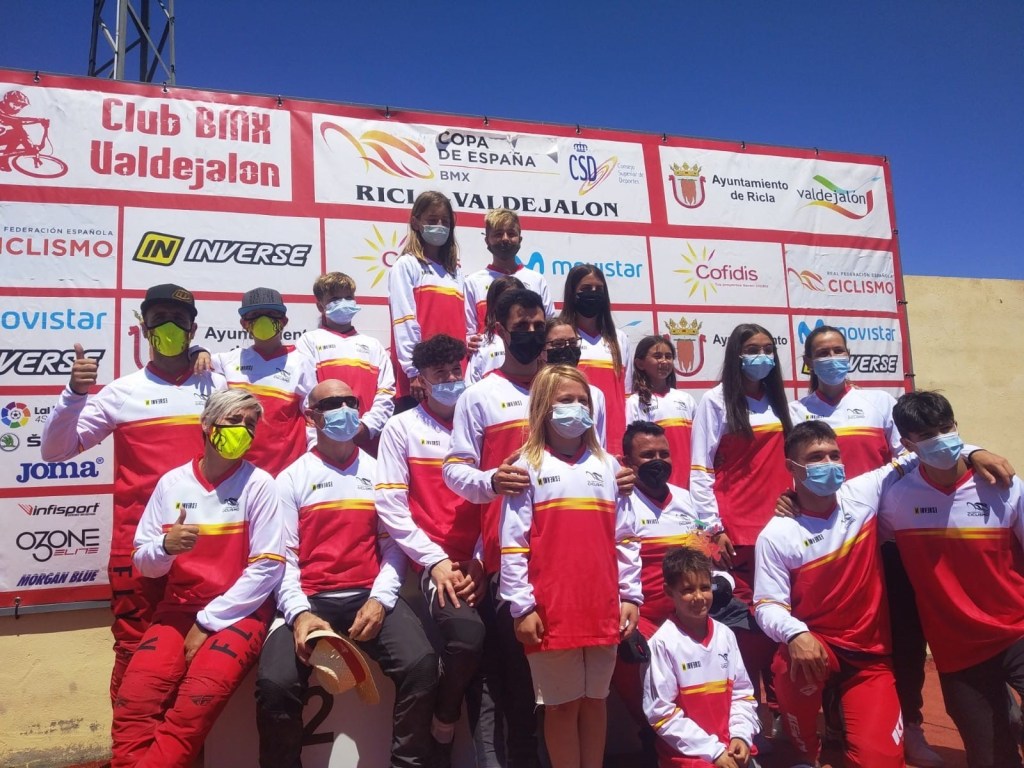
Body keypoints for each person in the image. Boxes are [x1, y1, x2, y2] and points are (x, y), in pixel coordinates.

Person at [40, 283, 225, 702]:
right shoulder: (121, 391)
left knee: (202, 656)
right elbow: (55, 451)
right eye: (159, 319)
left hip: (208, 544)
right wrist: (74, 394)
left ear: (193, 329)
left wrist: (207, 357)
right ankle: (132, 740)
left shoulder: (218, 384)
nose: (169, 327)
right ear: (144, 328)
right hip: (137, 547)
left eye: (178, 319)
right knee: (133, 652)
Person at [256, 379, 439, 768]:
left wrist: (380, 601)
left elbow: (394, 548)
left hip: (368, 596)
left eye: (350, 401)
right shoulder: (290, 479)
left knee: (423, 666)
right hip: (308, 601)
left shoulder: (379, 472)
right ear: (311, 416)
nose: (343, 409)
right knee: (275, 686)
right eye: (331, 404)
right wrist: (299, 614)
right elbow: (282, 558)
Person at [790, 325, 941, 767]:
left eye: (839, 350)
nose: (832, 358)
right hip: (829, 544)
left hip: (884, 536)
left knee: (903, 636)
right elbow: (791, 467)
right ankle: (835, 723)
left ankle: (911, 725)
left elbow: (912, 454)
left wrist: (972, 452)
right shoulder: (795, 410)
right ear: (808, 362)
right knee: (829, 633)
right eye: (822, 353)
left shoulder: (879, 402)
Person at [111, 389, 284, 768]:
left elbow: (268, 568)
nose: (242, 430)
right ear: (207, 424)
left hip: (239, 615)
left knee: (190, 711)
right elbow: (144, 562)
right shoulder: (171, 483)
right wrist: (166, 546)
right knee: (133, 704)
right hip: (177, 610)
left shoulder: (260, 484)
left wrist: (208, 622)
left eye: (250, 425)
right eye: (234, 421)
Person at [500, 364, 642, 768]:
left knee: (595, 702)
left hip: (602, 606)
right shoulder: (525, 467)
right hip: (550, 610)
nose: (576, 408)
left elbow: (627, 537)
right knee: (561, 707)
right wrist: (521, 606)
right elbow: (513, 544)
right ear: (544, 407)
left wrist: (630, 596)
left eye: (583, 400)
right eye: (566, 400)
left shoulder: (610, 467)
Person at [881, 391, 1024, 768]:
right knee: (990, 760)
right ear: (908, 444)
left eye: (946, 428)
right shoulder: (895, 498)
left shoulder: (1004, 485)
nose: (942, 440)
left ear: (957, 426)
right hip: (956, 650)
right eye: (928, 435)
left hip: (1018, 631)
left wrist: (976, 452)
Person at [444, 287, 549, 767]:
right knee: (511, 680)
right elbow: (454, 470)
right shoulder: (479, 395)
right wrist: (491, 481)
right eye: (521, 326)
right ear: (499, 332)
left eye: (538, 325)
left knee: (554, 683)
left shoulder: (566, 391)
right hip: (504, 559)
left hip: (563, 555)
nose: (531, 333)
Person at [375, 334, 486, 762]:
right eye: (440, 373)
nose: (452, 379)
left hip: (485, 559)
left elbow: (497, 500)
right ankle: (444, 716)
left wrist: (481, 559)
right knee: (466, 636)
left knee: (501, 662)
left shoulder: (479, 424)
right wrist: (435, 560)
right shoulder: (401, 428)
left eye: (456, 370)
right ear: (420, 380)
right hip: (434, 562)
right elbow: (390, 505)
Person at [644, 547, 760, 768]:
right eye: (687, 590)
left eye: (705, 588)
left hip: (729, 750)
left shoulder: (725, 635)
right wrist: (714, 752)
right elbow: (661, 714)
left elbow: (742, 695)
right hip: (688, 759)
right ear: (668, 591)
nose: (698, 597)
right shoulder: (662, 643)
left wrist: (741, 736)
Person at [193, 287, 316, 475]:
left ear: (284, 321)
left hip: (285, 472)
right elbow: (198, 358)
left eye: (271, 314)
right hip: (237, 472)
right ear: (244, 324)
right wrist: (199, 351)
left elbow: (313, 420)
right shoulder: (230, 360)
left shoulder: (302, 362)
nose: (263, 320)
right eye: (255, 315)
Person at [296, 271, 396, 451]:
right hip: (325, 443)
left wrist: (367, 427)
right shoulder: (309, 341)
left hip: (367, 443)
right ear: (320, 306)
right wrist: (325, 433)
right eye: (335, 299)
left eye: (348, 297)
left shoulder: (373, 345)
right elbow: (306, 394)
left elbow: (386, 392)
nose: (343, 302)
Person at [389, 190, 466, 404]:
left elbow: (461, 322)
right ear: (416, 222)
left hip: (455, 377)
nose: (439, 226)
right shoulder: (407, 265)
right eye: (432, 220)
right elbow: (404, 320)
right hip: (422, 379)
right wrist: (413, 370)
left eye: (445, 222)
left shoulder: (455, 272)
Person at [558, 264, 632, 454]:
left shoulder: (619, 339)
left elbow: (626, 394)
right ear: (572, 293)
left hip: (615, 437)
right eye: (585, 288)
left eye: (599, 289)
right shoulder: (562, 338)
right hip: (574, 435)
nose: (593, 293)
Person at [463, 207, 554, 336]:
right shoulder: (473, 282)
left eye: (511, 234)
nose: (505, 239)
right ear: (487, 241)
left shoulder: (537, 280)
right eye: (498, 234)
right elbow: (469, 332)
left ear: (520, 239)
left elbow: (548, 327)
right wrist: (470, 340)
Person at [627, 335, 697, 487]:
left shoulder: (686, 399)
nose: (664, 361)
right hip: (656, 482)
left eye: (668, 356)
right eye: (657, 356)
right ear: (640, 363)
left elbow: (699, 441)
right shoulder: (634, 402)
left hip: (690, 480)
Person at [542, 317, 607, 447]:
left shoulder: (595, 394)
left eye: (572, 343)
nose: (567, 348)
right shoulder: (533, 393)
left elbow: (599, 443)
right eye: (558, 344)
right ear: (541, 350)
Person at [465, 274, 524, 386]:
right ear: (493, 304)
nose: (511, 305)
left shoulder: (534, 340)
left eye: (517, 299)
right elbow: (471, 387)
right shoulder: (481, 343)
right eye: (505, 299)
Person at [0, 89, 47, 171]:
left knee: (17, 135)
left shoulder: (9, 113)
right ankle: (3, 160)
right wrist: (38, 120)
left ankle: (3, 161)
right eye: (16, 104)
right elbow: (16, 120)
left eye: (21, 106)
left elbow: (21, 132)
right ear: (6, 101)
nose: (18, 108)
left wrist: (30, 147)